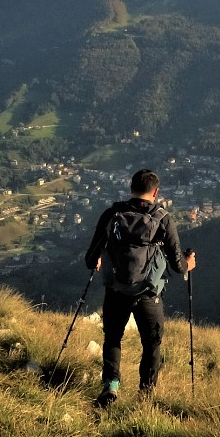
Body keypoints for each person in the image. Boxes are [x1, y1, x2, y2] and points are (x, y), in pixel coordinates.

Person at [84, 168, 196, 405]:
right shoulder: (163, 218)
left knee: (113, 337)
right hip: (148, 293)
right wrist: (188, 265)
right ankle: (146, 395)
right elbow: (177, 264)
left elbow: (90, 258)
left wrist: (98, 259)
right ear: (156, 192)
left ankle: (111, 387)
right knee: (151, 343)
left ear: (131, 188)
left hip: (115, 289)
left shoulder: (112, 214)